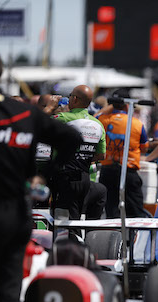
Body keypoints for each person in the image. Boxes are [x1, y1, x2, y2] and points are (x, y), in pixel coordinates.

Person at [0, 47, 83, 302]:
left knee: (3, 300)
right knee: (6, 300)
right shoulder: (25, 113)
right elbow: (73, 140)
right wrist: (43, 175)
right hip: (17, 217)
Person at [51, 84, 106, 219]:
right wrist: (83, 156)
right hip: (85, 178)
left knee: (63, 219)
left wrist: (50, 107)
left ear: (74, 99)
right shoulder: (98, 124)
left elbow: (37, 123)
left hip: (65, 177)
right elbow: (101, 155)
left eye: (70, 96)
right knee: (76, 217)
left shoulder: (63, 118)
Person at [97, 89, 149, 218]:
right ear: (127, 105)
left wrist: (109, 108)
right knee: (136, 212)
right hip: (129, 171)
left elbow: (94, 117)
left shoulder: (101, 119)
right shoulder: (137, 123)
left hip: (107, 171)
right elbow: (144, 148)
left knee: (111, 212)